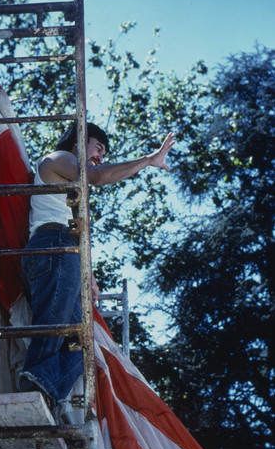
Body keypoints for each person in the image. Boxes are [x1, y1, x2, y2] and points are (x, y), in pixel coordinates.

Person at [19, 122, 175, 407]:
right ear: (78, 142)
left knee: (84, 344)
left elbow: (80, 229)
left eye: (104, 152)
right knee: (50, 331)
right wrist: (149, 160)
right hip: (53, 246)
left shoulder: (71, 181)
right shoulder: (58, 159)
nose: (101, 156)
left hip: (66, 253)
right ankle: (30, 397)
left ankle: (39, 393)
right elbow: (98, 177)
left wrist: (88, 276)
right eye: (99, 147)